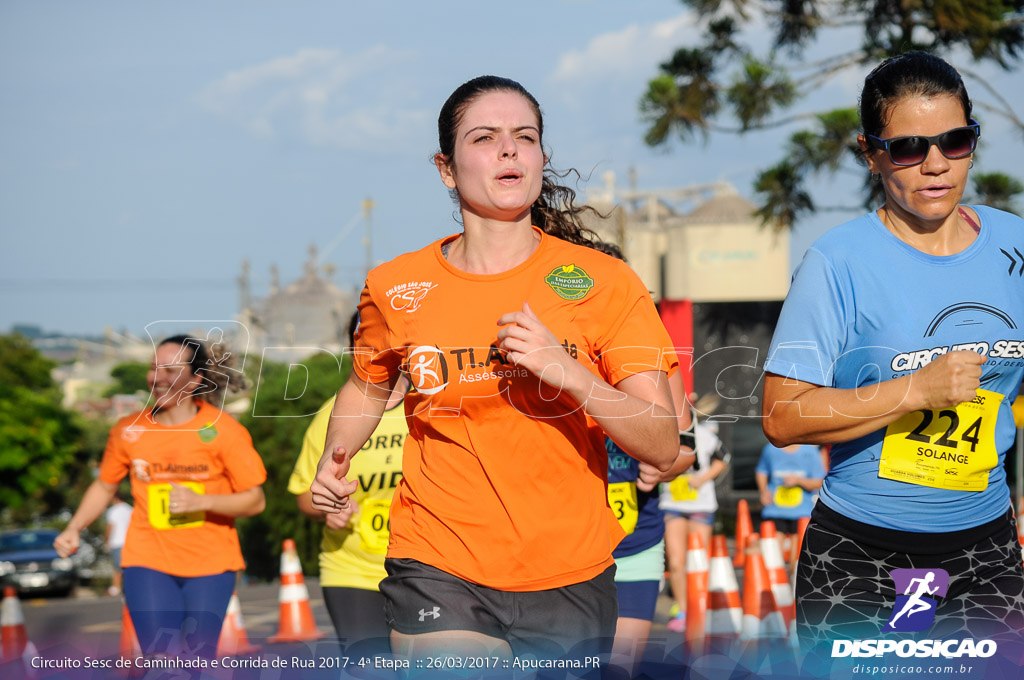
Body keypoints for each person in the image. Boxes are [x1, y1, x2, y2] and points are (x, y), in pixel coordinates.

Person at [310, 75, 680, 663]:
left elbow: (663, 444)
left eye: (525, 137)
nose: (509, 150)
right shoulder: (394, 286)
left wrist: (570, 373)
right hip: (437, 559)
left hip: (571, 568)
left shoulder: (606, 283)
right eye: (485, 137)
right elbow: (366, 385)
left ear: (539, 158)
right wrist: (337, 458)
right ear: (446, 169)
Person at [761, 50, 1024, 647]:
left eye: (955, 141)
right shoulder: (838, 260)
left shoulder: (1016, 243)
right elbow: (780, 416)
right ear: (871, 152)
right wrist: (917, 390)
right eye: (908, 147)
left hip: (985, 547)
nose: (935, 164)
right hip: (862, 552)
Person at [55, 334, 266, 661]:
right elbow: (104, 486)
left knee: (195, 662)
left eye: (169, 369)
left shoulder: (224, 430)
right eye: (154, 368)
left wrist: (202, 502)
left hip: (211, 563)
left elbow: (255, 500)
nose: (158, 377)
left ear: (195, 378)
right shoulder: (129, 430)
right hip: (147, 559)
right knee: (161, 660)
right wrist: (74, 528)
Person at [288, 312, 409, 655]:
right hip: (352, 569)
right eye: (360, 339)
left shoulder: (432, 407)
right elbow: (304, 495)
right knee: (370, 669)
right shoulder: (333, 415)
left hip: (428, 567)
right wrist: (329, 505)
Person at [659, 416, 730, 632]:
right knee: (676, 562)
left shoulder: (704, 434)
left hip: (701, 506)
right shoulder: (663, 431)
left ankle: (700, 607)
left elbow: (724, 457)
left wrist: (703, 478)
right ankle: (682, 609)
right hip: (672, 505)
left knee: (698, 561)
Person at [755, 442, 824, 534]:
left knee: (798, 547)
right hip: (774, 510)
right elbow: (761, 471)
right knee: (773, 546)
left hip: (802, 513)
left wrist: (798, 481)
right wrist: (763, 491)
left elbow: (819, 482)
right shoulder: (770, 449)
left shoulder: (810, 451)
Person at [105, 487, 133, 597]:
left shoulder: (113, 510)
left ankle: (115, 588)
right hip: (129, 542)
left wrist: (106, 539)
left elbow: (110, 527)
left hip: (117, 542)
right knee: (127, 566)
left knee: (117, 567)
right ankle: (128, 587)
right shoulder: (130, 509)